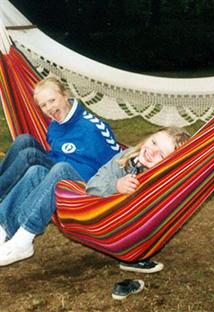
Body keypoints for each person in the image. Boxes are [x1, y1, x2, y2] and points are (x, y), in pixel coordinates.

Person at [0, 76, 120, 266]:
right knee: (26, 147)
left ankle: (23, 240)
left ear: (65, 95)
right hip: (60, 167)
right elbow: (58, 153)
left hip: (86, 181)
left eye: (52, 100)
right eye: (43, 105)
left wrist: (115, 185)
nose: (49, 108)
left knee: (58, 167)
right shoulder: (55, 125)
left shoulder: (92, 128)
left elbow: (117, 161)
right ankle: (2, 228)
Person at [86, 126, 190, 300]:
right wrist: (115, 186)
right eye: (154, 142)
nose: (151, 151)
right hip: (106, 224)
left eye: (162, 155)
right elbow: (91, 189)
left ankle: (132, 255)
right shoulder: (124, 159)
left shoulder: (166, 184)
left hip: (136, 235)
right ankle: (130, 256)